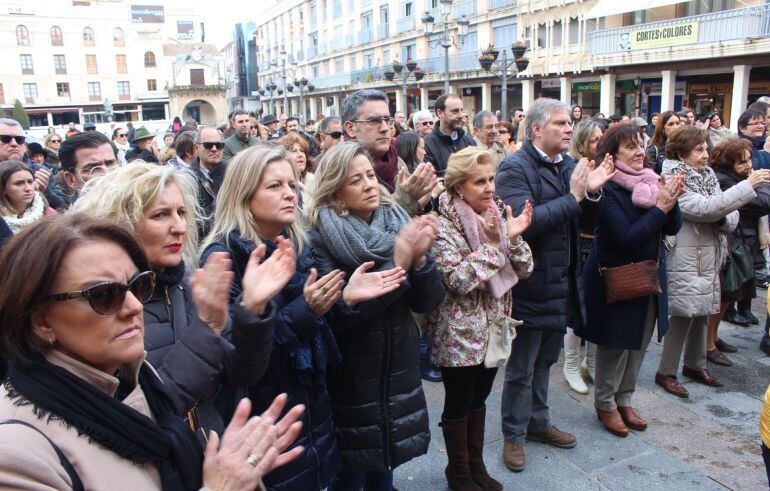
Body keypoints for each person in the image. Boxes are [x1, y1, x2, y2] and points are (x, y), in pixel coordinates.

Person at [0, 213, 305, 490]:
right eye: (104, 296)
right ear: (41, 321)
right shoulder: (15, 453)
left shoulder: (133, 376)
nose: (134, 307)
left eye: (139, 285)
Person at [200, 144, 404, 490]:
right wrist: (304, 310)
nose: (289, 195)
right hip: (265, 417)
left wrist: (345, 301)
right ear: (244, 193)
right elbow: (237, 357)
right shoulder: (224, 256)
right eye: (274, 186)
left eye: (292, 185)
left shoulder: (296, 242)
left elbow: (319, 331)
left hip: (312, 408)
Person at [72, 162, 293, 439]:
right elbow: (140, 413)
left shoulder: (188, 284)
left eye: (182, 213)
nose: (179, 227)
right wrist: (207, 328)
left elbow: (240, 375)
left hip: (206, 453)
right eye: (160, 215)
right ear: (121, 223)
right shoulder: (104, 305)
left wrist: (253, 309)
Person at [304, 140, 445, 490]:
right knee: (351, 476)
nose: (369, 184)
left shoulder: (397, 220)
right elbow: (335, 320)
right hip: (349, 379)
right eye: (355, 180)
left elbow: (428, 302)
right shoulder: (318, 239)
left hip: (397, 369)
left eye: (370, 175)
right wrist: (398, 262)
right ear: (335, 194)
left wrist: (422, 261)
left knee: (385, 467)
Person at [495, 98, 615, 472]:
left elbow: (585, 219)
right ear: (536, 130)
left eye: (569, 123)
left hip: (562, 280)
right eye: (561, 123)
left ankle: (539, 424)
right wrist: (576, 196)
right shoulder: (513, 168)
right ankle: (513, 435)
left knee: (546, 360)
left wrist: (592, 193)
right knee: (522, 367)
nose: (569, 129)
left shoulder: (569, 165)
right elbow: (525, 223)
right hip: (531, 284)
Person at [427, 146, 533, 491]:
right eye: (479, 182)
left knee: (479, 400)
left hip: (493, 327)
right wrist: (493, 247)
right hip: (458, 333)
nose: (489, 188)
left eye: (491, 179)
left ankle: (476, 465)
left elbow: (526, 268)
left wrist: (512, 239)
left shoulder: (497, 214)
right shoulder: (442, 225)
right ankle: (458, 473)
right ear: (458, 186)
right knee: (459, 402)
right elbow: (457, 279)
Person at [577, 124, 684, 437]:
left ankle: (625, 398)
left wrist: (671, 198)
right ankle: (605, 403)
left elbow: (673, 227)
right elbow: (625, 237)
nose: (640, 152)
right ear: (613, 154)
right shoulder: (606, 187)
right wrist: (661, 208)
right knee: (614, 345)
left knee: (638, 343)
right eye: (630, 147)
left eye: (641, 145)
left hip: (649, 276)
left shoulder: (651, 181)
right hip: (616, 279)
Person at [655, 125, 770, 397]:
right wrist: (743, 189)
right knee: (683, 312)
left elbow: (727, 214)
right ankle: (666, 371)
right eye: (699, 150)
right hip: (684, 254)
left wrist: (720, 215)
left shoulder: (706, 175)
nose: (705, 155)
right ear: (682, 154)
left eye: (706, 148)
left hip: (709, 252)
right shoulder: (672, 176)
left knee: (704, 310)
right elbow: (704, 208)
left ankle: (695, 365)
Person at [709, 139, 770, 365]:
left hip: (740, 242)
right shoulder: (723, 179)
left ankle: (714, 337)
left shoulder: (739, 179)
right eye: (742, 161)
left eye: (749, 160)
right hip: (728, 242)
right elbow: (760, 204)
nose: (748, 165)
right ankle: (708, 343)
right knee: (721, 295)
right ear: (728, 160)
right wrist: (757, 183)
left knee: (729, 295)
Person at [341, 89, 436, 216]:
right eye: (374, 121)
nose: (385, 128)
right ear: (351, 128)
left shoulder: (397, 162)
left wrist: (423, 201)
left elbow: (407, 217)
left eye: (387, 120)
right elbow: (367, 224)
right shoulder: (338, 167)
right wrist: (407, 197)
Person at [562, 119, 605, 394]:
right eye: (594, 140)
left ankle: (589, 363)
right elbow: (579, 213)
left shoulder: (607, 166)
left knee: (598, 307)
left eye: (602, 138)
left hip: (601, 246)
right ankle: (570, 365)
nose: (599, 144)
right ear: (582, 143)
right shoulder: (574, 168)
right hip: (581, 244)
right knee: (578, 309)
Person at [0, 118, 67, 210]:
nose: (14, 143)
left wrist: (44, 191)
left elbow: (63, 206)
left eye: (19, 139)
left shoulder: (40, 171)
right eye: (6, 139)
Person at [59, 131, 120, 205]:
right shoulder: (73, 216)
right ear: (71, 179)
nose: (107, 173)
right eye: (93, 168)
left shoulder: (135, 210)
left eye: (111, 164)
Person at [423, 94, 476, 174]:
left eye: (461, 110)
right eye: (455, 111)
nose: (461, 115)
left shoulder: (470, 142)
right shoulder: (426, 144)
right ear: (440, 113)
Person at [0, 161, 56, 234]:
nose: (28, 188)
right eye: (18, 183)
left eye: (30, 182)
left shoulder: (48, 214)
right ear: (3, 189)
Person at [281, 132, 315, 206]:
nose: (300, 155)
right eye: (294, 151)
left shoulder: (313, 180)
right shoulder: (281, 185)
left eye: (302, 151)